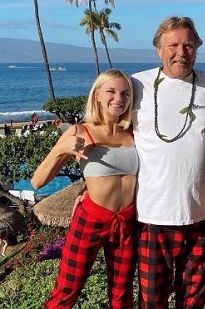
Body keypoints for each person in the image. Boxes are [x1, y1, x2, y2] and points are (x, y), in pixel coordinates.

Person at [132, 16, 205, 308]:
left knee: (194, 301)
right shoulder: (136, 85)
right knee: (152, 301)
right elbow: (111, 134)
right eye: (173, 45)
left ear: (197, 47)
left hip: (202, 215)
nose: (181, 52)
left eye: (189, 45)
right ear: (158, 50)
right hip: (153, 218)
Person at [31, 69, 139, 309]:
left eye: (125, 93)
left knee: (122, 296)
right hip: (91, 219)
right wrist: (61, 149)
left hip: (127, 221)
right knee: (66, 292)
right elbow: (37, 182)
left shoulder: (135, 132)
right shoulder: (79, 131)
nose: (118, 99)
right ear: (97, 95)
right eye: (111, 91)